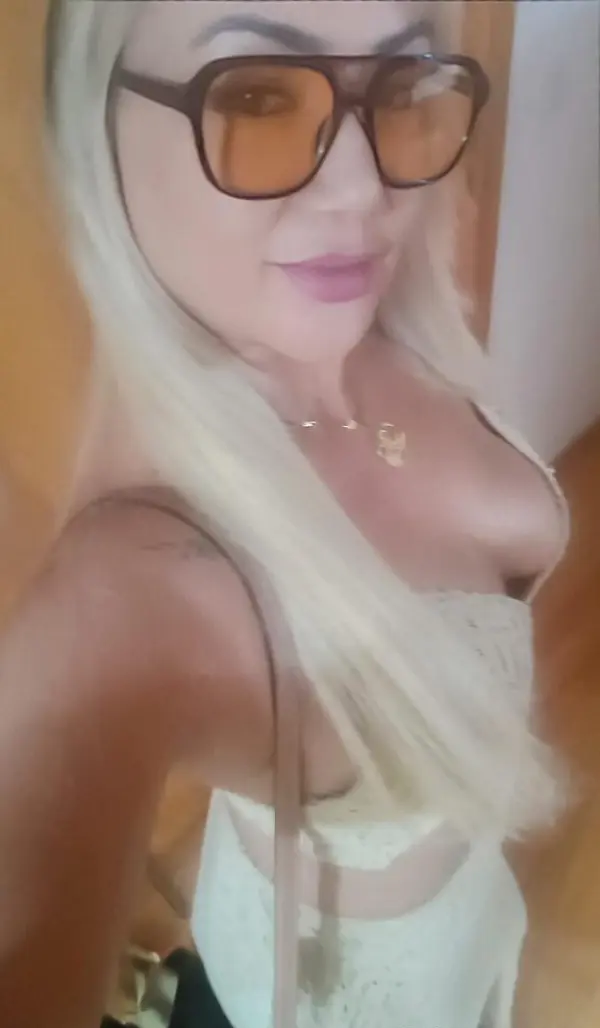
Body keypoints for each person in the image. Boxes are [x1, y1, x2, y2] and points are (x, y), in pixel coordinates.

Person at [0, 2, 569, 1026]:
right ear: (96, 126)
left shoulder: (391, 321)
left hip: (472, 913)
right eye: (257, 94)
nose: (365, 188)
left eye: (399, 83)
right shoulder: (138, 580)